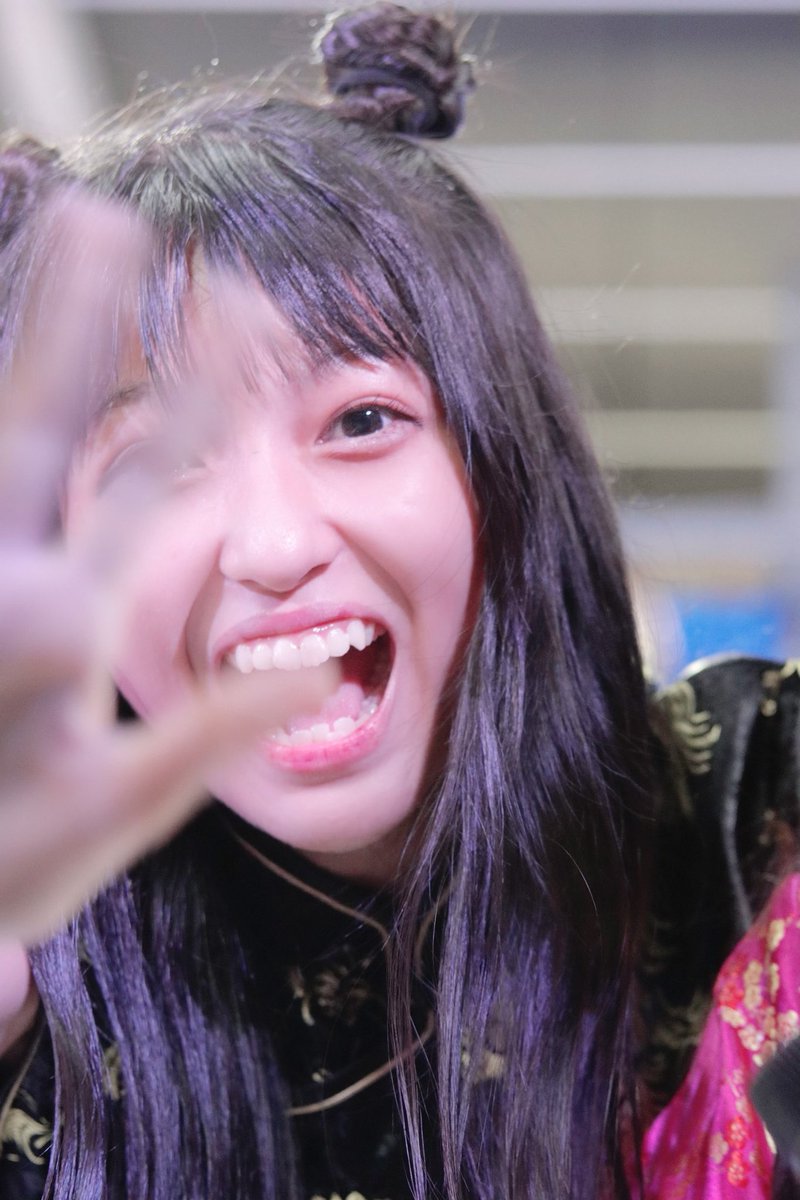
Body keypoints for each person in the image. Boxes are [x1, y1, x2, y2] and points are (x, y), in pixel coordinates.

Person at [3, 4, 787, 1198]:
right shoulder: (44, 1001)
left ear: (503, 469)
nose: (271, 545)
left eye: (360, 420)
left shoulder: (750, 820)